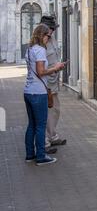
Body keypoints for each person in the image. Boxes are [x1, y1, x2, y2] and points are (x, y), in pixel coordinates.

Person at [24, 24, 65, 165]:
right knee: (41, 125)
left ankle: (30, 154)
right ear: (42, 35)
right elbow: (41, 72)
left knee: (32, 125)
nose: (49, 38)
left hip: (28, 91)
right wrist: (55, 68)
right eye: (48, 35)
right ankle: (41, 156)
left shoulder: (29, 50)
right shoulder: (40, 50)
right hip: (38, 92)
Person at [40, 15, 67, 150]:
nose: (52, 31)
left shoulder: (52, 39)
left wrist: (58, 66)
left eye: (53, 28)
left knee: (55, 110)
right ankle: (44, 142)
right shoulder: (40, 43)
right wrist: (54, 68)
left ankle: (52, 136)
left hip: (53, 82)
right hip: (45, 84)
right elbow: (39, 68)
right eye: (50, 28)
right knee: (45, 112)